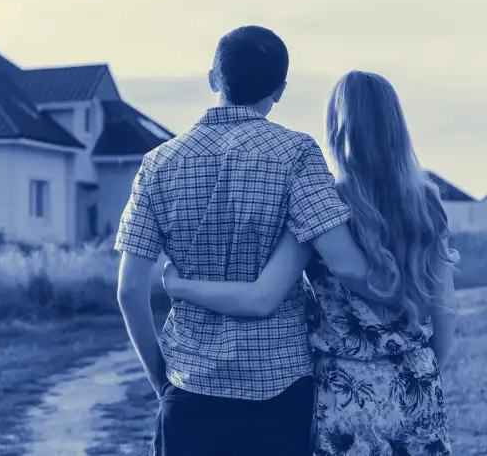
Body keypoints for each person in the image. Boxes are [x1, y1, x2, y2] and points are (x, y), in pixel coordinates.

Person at [115, 26, 392, 456]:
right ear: (280, 91)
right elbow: (349, 266)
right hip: (279, 394)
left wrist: (161, 381)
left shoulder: (157, 164)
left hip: (190, 390)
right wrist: (412, 296)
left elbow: (130, 289)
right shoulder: (297, 153)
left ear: (213, 79)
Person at [161, 70, 458, 455]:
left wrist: (180, 286)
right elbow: (445, 309)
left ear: (336, 129)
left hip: (343, 390)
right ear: (396, 126)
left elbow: (260, 297)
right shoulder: (427, 202)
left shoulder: (320, 205)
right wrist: (424, 365)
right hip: (416, 379)